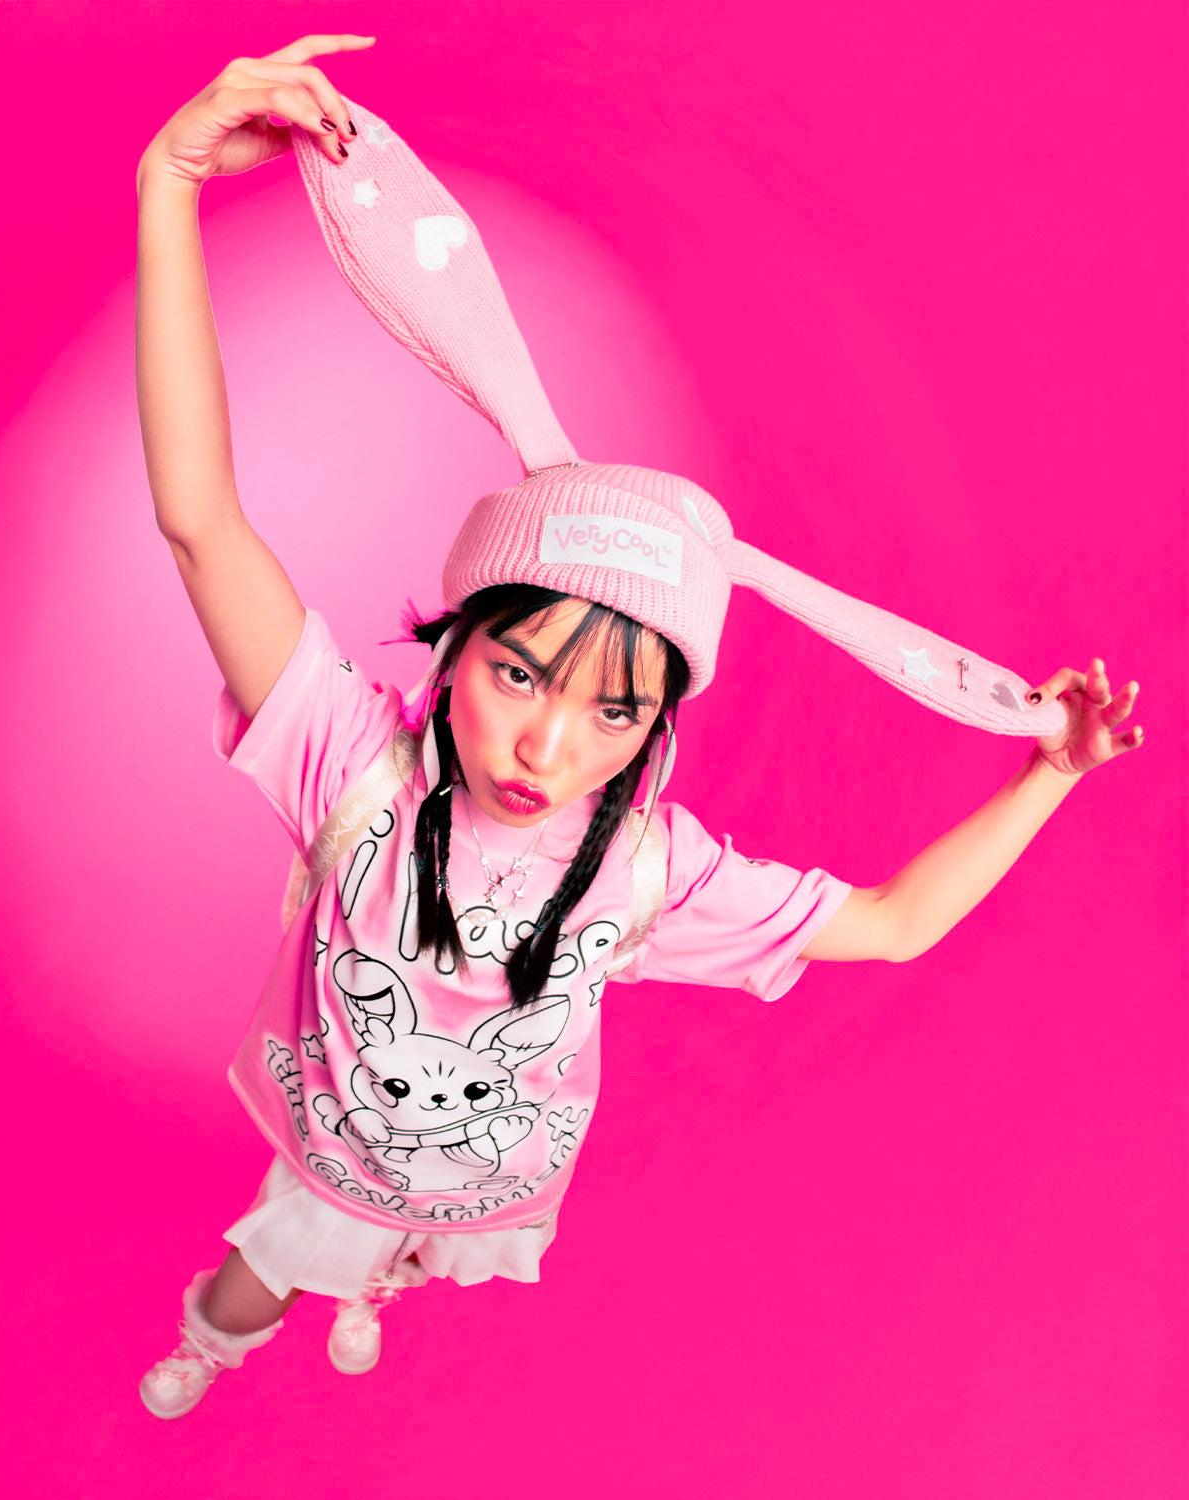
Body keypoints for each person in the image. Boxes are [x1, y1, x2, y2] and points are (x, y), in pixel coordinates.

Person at [134, 34, 1144, 1420]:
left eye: (614, 709)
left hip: (486, 1166)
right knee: (275, 1264)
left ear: (657, 727)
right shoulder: (349, 763)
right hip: (336, 1131)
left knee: (413, 1253)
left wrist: (1050, 773)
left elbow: (896, 923)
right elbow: (200, 521)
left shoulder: (645, 872)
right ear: (454, 649)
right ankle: (215, 1340)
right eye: (521, 676)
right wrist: (169, 182)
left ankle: (380, 1283)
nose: (548, 750)